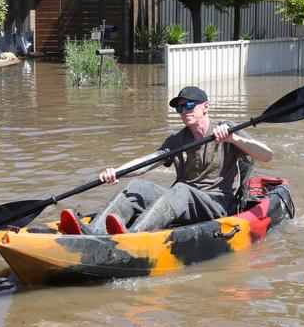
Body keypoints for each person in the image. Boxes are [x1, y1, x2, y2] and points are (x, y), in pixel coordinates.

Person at [60, 86, 273, 235]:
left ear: (205, 107)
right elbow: (148, 161)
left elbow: (266, 155)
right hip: (183, 200)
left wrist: (232, 138)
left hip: (217, 204)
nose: (183, 111)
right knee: (138, 187)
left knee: (181, 189)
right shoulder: (177, 140)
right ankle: (94, 231)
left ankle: (133, 236)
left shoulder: (227, 128)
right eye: (179, 108)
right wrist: (116, 172)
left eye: (189, 105)